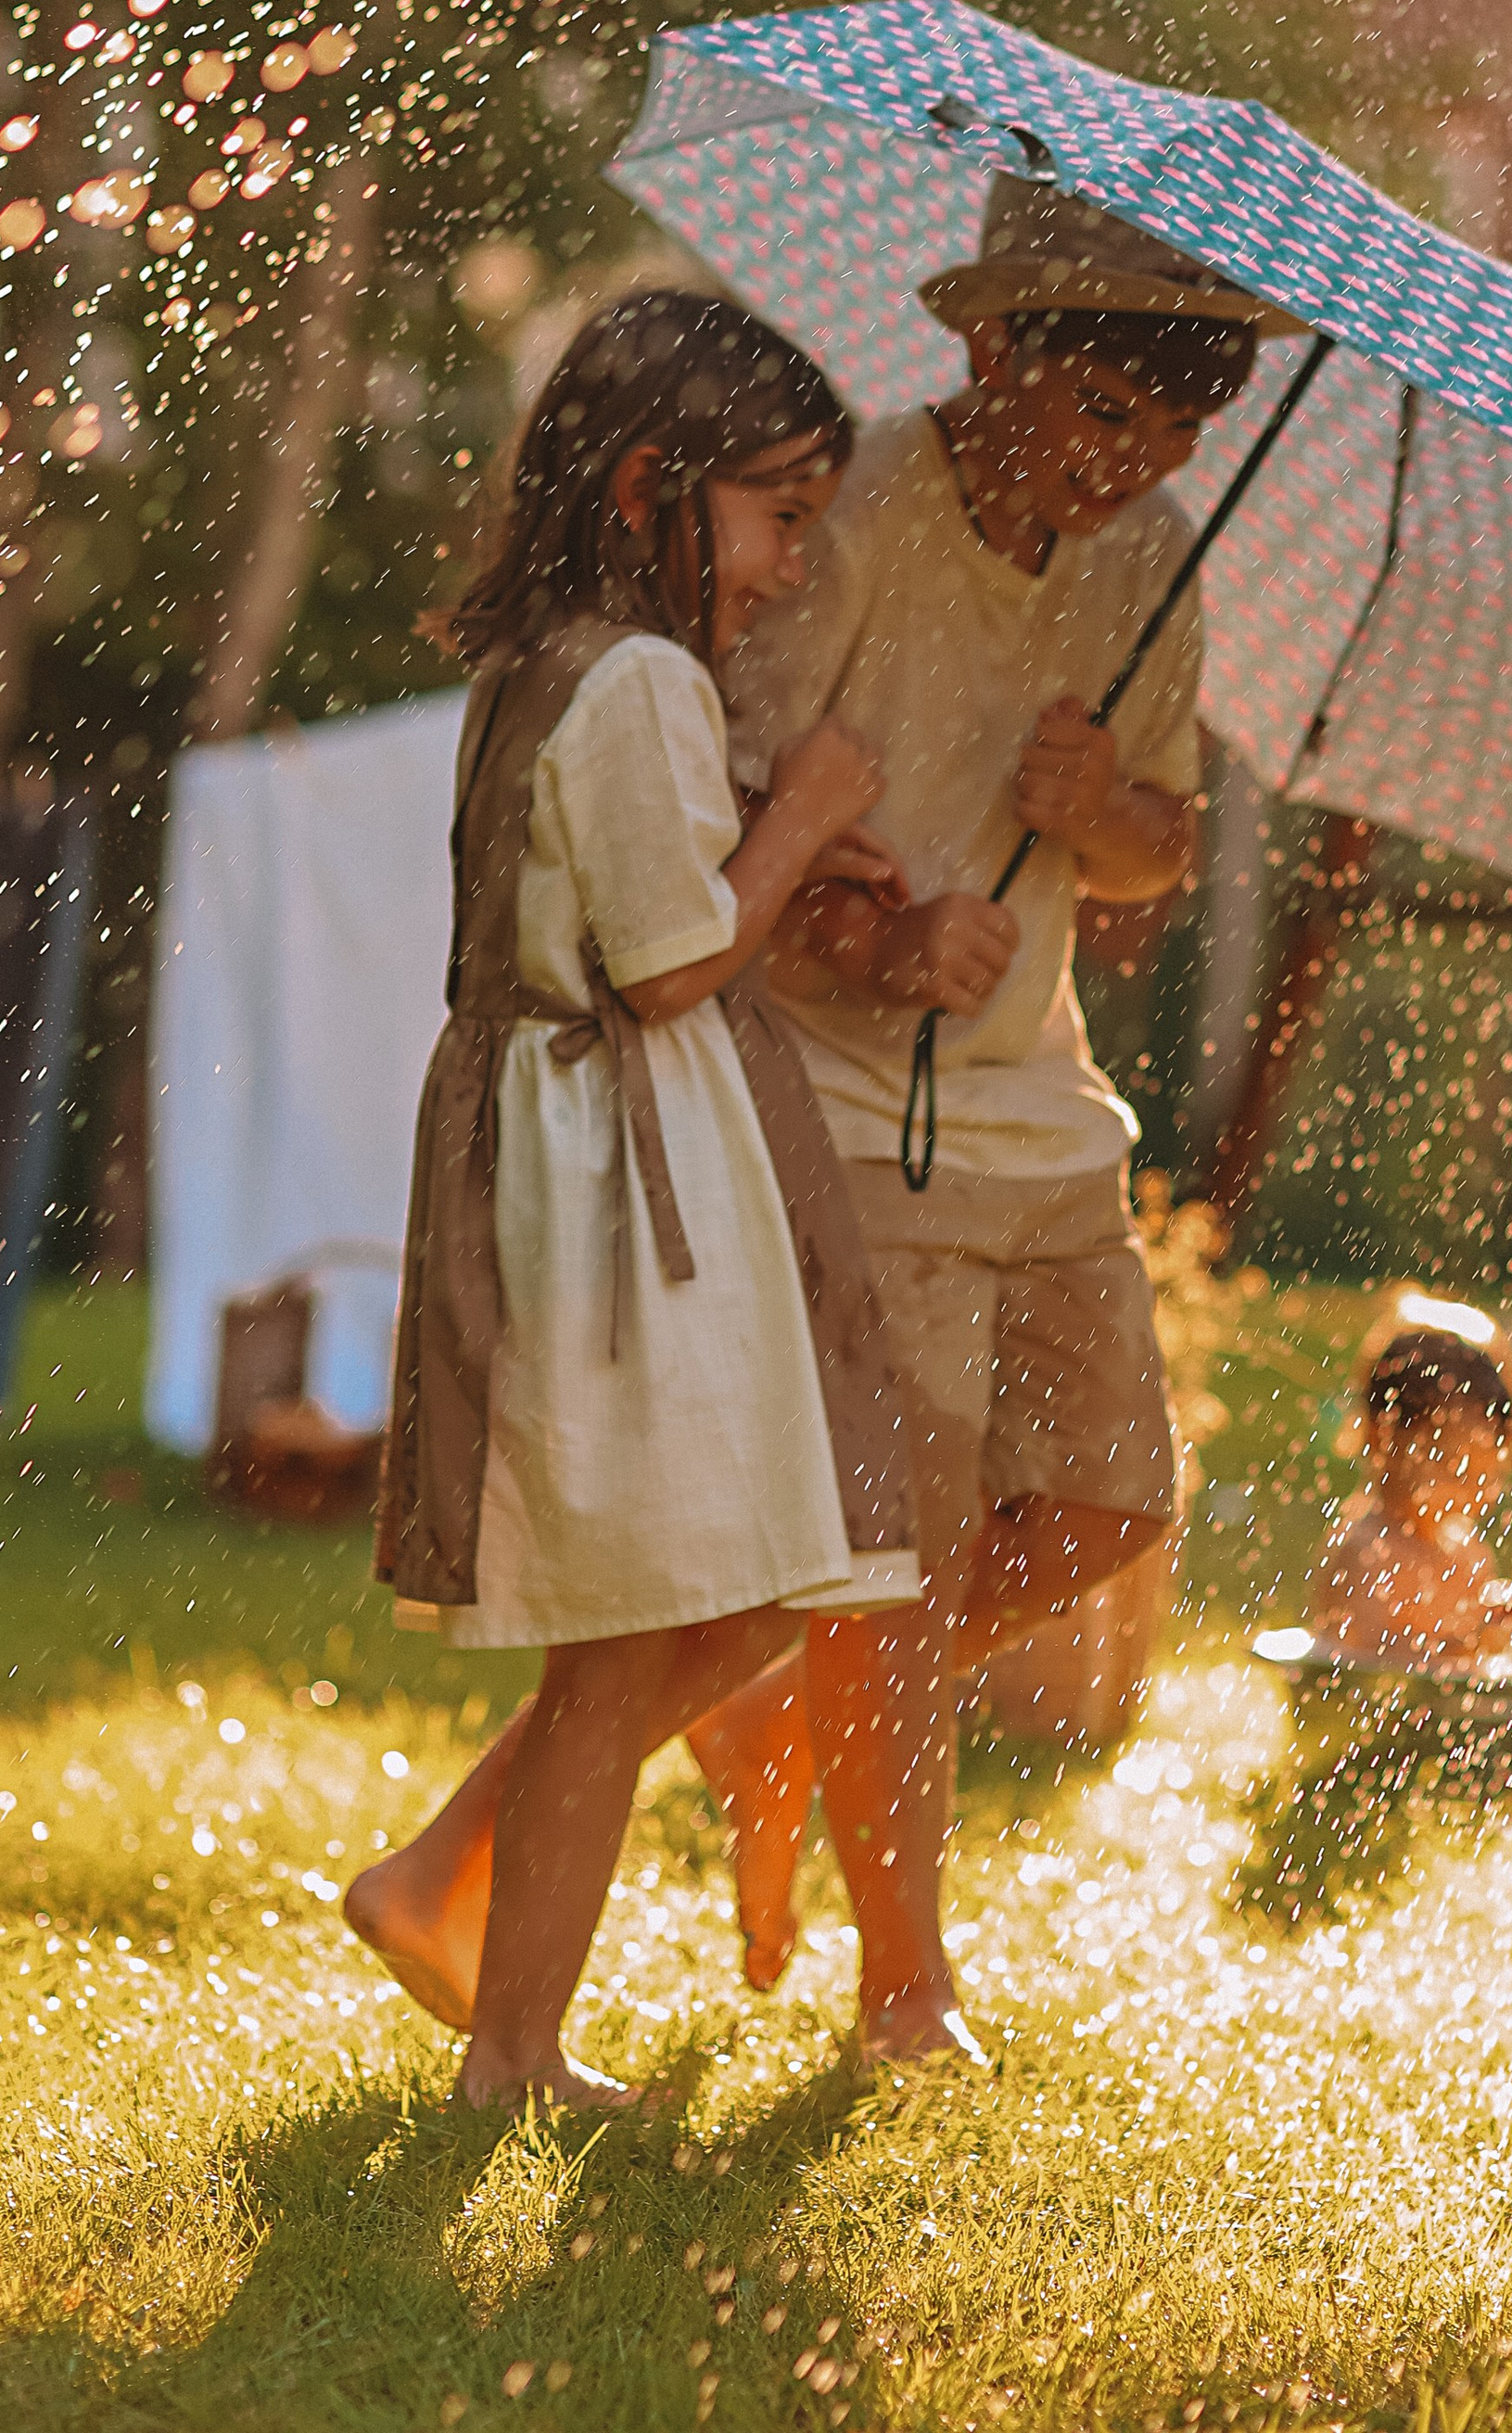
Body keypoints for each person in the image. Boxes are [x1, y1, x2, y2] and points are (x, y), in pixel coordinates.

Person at [682, 176, 1282, 2064]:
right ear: (993, 345)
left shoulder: (1149, 557)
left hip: (1035, 1099)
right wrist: (879, 941)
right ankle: (903, 1986)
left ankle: (780, 1715)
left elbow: (1155, 854)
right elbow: (720, 818)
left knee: (1110, 1500)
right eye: (1105, 410)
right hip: (841, 1097)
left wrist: (1100, 807)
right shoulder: (851, 516)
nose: (1136, 463)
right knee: (908, 1543)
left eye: (1174, 434)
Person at [346, 290, 920, 2108]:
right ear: (647, 486)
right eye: (778, 515)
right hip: (618, 1191)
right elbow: (670, 963)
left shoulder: (551, 662)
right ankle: (510, 2052)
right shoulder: (647, 678)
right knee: (627, 1637)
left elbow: (607, 891)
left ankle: (455, 1922)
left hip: (563, 1161)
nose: (793, 562)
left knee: (721, 1585)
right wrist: (802, 814)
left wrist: (765, 827)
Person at [1306, 1292, 1512, 1668]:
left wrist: (1511, 1616)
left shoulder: (1467, 1555)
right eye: (1456, 1468)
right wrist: (1471, 1642)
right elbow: (1376, 1659)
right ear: (1383, 1437)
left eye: (1486, 1473)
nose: (1474, 1490)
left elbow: (1475, 1648)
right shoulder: (1364, 1551)